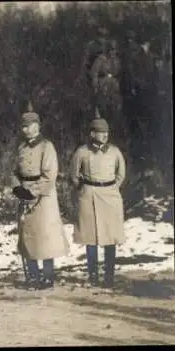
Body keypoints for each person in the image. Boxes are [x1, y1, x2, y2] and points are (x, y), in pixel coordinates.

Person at [10, 102, 70, 291]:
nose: (26, 129)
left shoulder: (46, 147)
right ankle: (33, 276)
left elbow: (49, 175)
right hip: (24, 193)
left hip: (43, 197)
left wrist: (31, 192)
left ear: (38, 126)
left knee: (45, 236)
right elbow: (14, 171)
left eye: (29, 125)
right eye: (23, 126)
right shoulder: (21, 148)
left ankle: (48, 276)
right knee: (28, 237)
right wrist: (17, 187)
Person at [69, 115, 126, 289]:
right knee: (90, 237)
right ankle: (93, 275)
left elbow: (121, 173)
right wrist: (85, 188)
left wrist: (112, 187)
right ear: (92, 133)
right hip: (89, 196)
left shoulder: (115, 151)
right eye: (101, 132)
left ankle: (109, 276)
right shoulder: (82, 152)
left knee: (110, 237)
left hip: (110, 196)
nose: (104, 135)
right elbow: (74, 174)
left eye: (106, 132)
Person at [90, 40, 122, 129]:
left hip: (114, 86)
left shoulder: (117, 60)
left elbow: (119, 73)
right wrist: (95, 86)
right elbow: (94, 73)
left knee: (115, 106)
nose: (112, 52)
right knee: (102, 106)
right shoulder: (101, 59)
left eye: (114, 50)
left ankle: (113, 125)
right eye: (111, 49)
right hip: (103, 84)